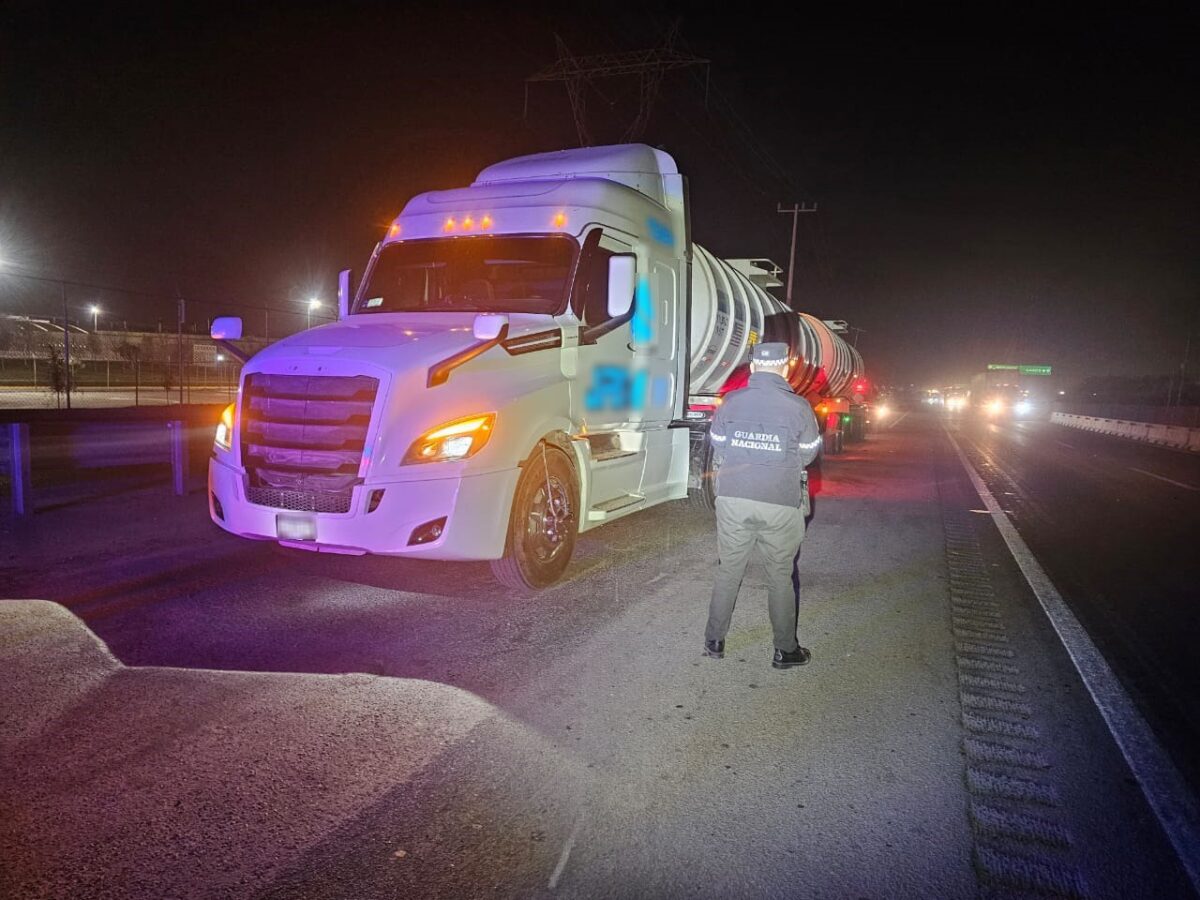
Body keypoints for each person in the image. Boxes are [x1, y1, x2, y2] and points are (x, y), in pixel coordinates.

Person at [703, 342, 823, 669]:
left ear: (753, 368)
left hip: (733, 497)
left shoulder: (731, 401)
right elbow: (810, 451)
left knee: (728, 569)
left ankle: (714, 640)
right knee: (780, 575)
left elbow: (718, 443)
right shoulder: (798, 406)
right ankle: (785, 651)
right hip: (780, 503)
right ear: (785, 368)